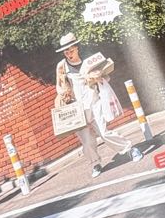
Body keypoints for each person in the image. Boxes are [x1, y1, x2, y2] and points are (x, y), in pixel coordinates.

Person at [55, 33, 140, 178]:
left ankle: (130, 149)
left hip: (94, 102)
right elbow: (60, 86)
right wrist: (65, 95)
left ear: (77, 47)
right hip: (77, 108)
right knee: (87, 141)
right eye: (66, 51)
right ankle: (95, 164)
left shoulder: (89, 60)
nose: (68, 54)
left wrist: (96, 76)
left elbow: (106, 75)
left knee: (104, 133)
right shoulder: (62, 66)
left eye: (71, 50)